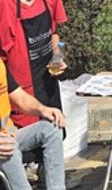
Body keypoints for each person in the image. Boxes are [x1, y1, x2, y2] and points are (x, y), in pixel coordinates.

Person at [0, 0, 67, 129]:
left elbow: (55, 33)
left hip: (47, 82)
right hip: (19, 88)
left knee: (52, 134)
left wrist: (58, 57)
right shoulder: (4, 1)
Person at [0, 57, 66, 190]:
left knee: (52, 128)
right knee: (9, 147)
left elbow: (20, 98)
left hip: (9, 132)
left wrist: (44, 109)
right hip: (5, 143)